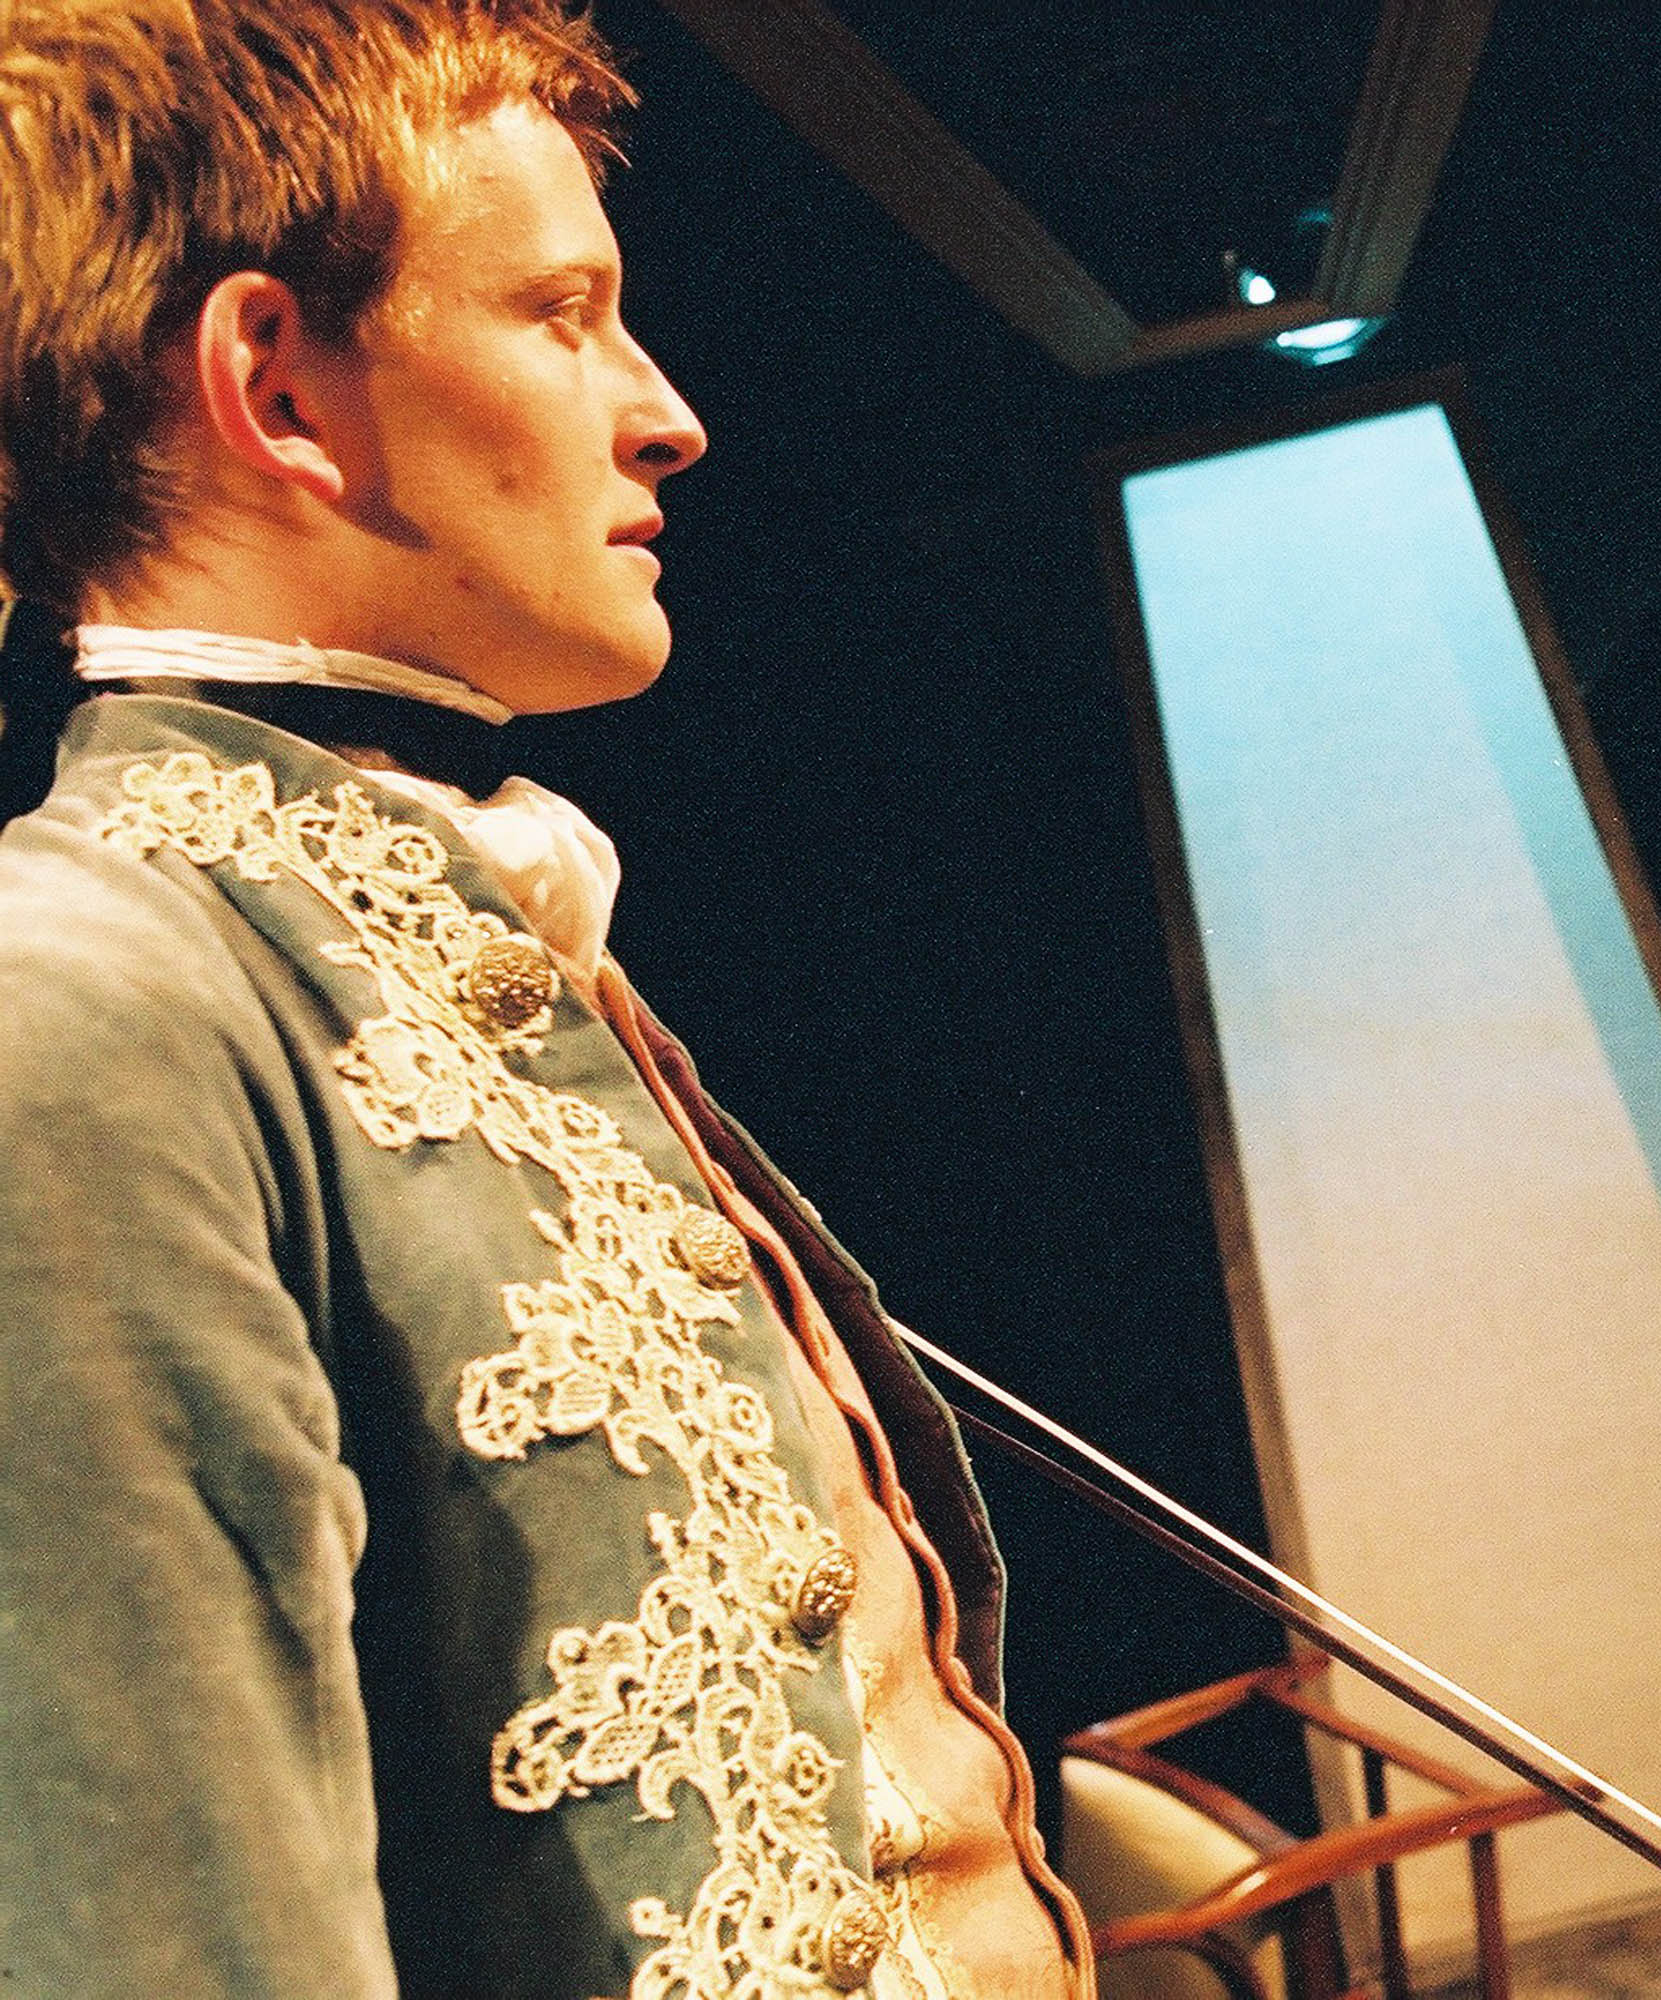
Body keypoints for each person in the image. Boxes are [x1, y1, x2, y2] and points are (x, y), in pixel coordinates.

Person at [0, 5, 1091, 1994]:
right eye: (563, 314)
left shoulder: (426, 913)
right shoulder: (82, 991)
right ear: (278, 388)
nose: (665, 413)